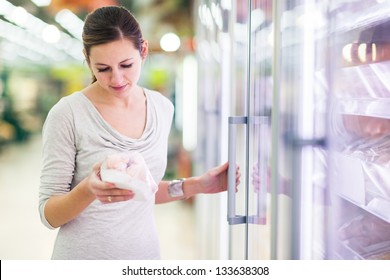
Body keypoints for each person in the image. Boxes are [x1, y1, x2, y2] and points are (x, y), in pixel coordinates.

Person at [39, 5, 240, 260]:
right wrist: (89, 189)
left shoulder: (162, 108)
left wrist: (197, 185)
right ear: (87, 59)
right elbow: (49, 214)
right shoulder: (67, 114)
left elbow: (142, 191)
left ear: (143, 50)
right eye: (103, 69)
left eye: (126, 64)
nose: (117, 79)